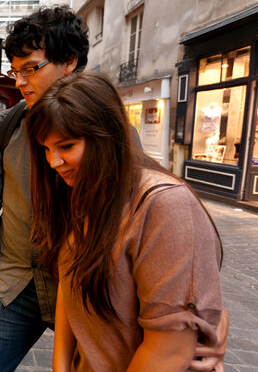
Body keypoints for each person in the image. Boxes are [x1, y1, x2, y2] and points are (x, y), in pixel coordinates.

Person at [0, 5, 229, 372]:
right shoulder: (7, 127)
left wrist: (200, 322)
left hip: (92, 288)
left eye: (30, 68)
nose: (19, 81)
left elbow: (166, 247)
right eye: (14, 71)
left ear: (69, 62)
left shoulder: (121, 145)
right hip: (18, 284)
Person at [27, 72, 224, 371]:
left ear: (106, 136)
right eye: (46, 149)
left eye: (66, 146)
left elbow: (169, 349)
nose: (53, 162)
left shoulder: (164, 204)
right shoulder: (87, 190)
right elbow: (71, 284)